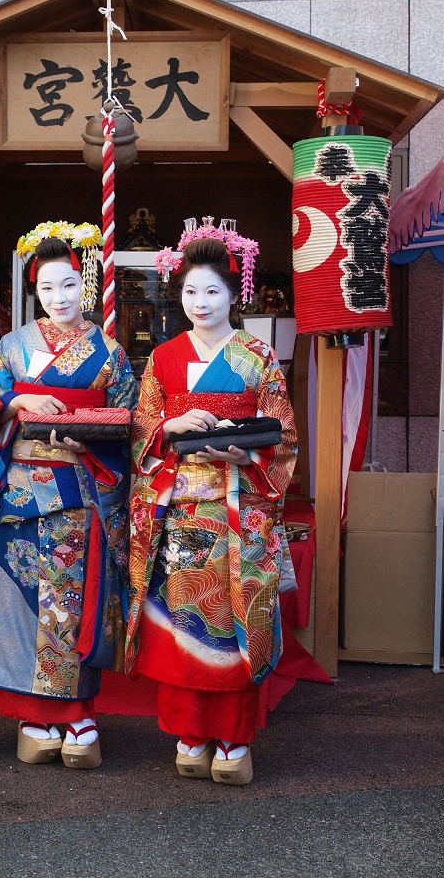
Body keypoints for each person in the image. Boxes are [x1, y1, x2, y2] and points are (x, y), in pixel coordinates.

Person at [125, 225, 297, 785]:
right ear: (179, 296)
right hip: (183, 515)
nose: (201, 304)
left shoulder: (257, 355)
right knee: (187, 625)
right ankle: (189, 734)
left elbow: (284, 436)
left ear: (234, 295)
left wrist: (245, 452)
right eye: (191, 293)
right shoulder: (164, 358)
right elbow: (142, 428)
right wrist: (171, 425)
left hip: (240, 510)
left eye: (213, 293)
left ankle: (234, 740)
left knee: (238, 620)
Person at [0, 221, 137, 768]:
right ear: (34, 291)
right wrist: (19, 405)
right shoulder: (13, 346)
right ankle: (31, 716)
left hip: (80, 488)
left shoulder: (110, 352)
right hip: (19, 491)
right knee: (22, 601)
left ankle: (78, 715)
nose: (58, 298)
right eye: (46, 288)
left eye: (68, 285)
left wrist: (87, 433)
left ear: (85, 284)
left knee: (72, 601)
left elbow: (131, 425)